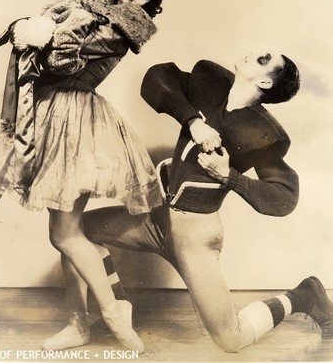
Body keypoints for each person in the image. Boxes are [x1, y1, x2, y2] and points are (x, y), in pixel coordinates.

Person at [0, 0, 166, 353]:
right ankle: (78, 324)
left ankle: (114, 315)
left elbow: (59, 64)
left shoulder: (120, 28)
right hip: (45, 113)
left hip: (75, 121)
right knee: (68, 231)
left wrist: (45, 31)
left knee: (63, 234)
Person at [45, 51, 333, 352]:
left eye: (263, 59)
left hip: (196, 237)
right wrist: (192, 120)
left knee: (230, 338)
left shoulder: (264, 133)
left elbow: (285, 198)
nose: (251, 53)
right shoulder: (211, 82)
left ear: (264, 81)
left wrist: (229, 176)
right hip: (158, 219)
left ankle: (305, 295)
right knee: (74, 234)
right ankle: (87, 321)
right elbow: (156, 77)